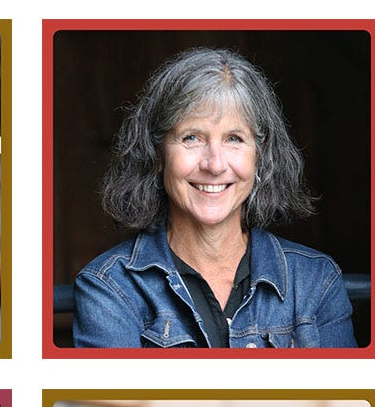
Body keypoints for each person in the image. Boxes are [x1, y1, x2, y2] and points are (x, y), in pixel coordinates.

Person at [73, 47, 356, 348]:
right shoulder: (110, 288)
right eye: (191, 138)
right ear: (158, 154)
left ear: (259, 157)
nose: (215, 164)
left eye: (234, 139)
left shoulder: (316, 282)